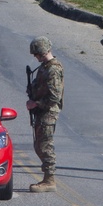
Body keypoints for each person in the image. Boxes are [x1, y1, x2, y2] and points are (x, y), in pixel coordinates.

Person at [26, 36, 64, 193]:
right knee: (39, 145)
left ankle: (50, 180)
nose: (35, 57)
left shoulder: (53, 69)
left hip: (48, 112)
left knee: (45, 146)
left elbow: (55, 97)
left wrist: (37, 104)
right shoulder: (45, 67)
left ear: (42, 52)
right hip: (42, 111)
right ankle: (47, 178)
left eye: (36, 54)